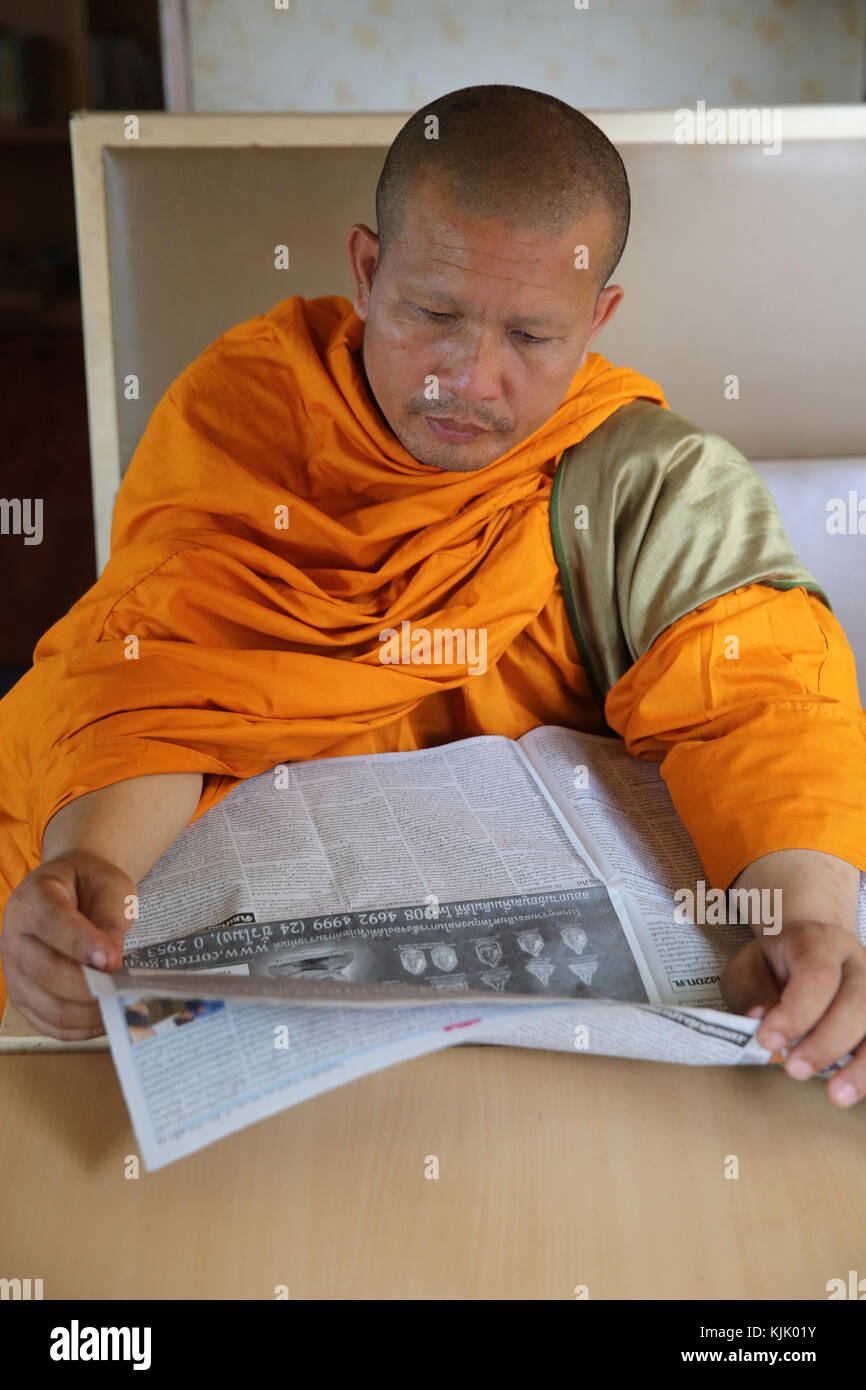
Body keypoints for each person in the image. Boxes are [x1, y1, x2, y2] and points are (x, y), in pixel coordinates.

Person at [1, 85, 864, 1106]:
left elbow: (758, 697)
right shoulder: (248, 419)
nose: (469, 377)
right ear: (366, 273)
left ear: (597, 319)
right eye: (432, 313)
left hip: (568, 1075)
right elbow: (155, 684)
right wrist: (89, 867)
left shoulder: (646, 482)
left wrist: (806, 919)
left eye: (532, 337)